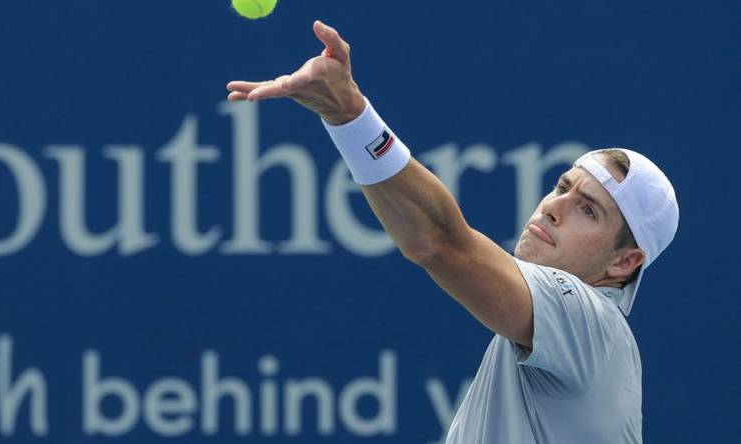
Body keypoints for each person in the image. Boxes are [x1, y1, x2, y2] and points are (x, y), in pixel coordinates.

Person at [227, 21, 678, 443]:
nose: (554, 207)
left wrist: (350, 115)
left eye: (588, 210)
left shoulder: (590, 325)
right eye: (562, 187)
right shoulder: (559, 341)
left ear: (624, 262)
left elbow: (441, 244)